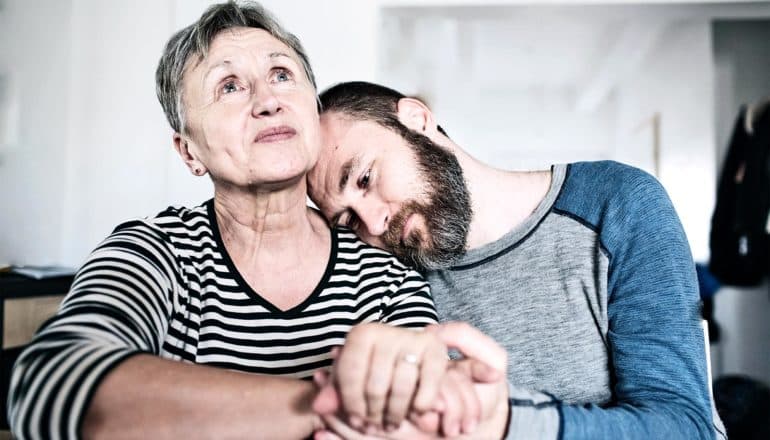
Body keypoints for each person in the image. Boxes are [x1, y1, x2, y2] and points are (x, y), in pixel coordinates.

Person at [6, 4, 450, 439]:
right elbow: (49, 385)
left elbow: (430, 417)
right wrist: (333, 406)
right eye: (230, 86)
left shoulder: (385, 278)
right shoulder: (157, 252)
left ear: (313, 115)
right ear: (189, 152)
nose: (268, 101)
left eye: (281, 75)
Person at [307, 81, 727, 439]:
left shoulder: (616, 203)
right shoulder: (394, 283)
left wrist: (507, 423)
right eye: (347, 220)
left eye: (365, 178)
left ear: (416, 119)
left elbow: (686, 426)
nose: (375, 223)